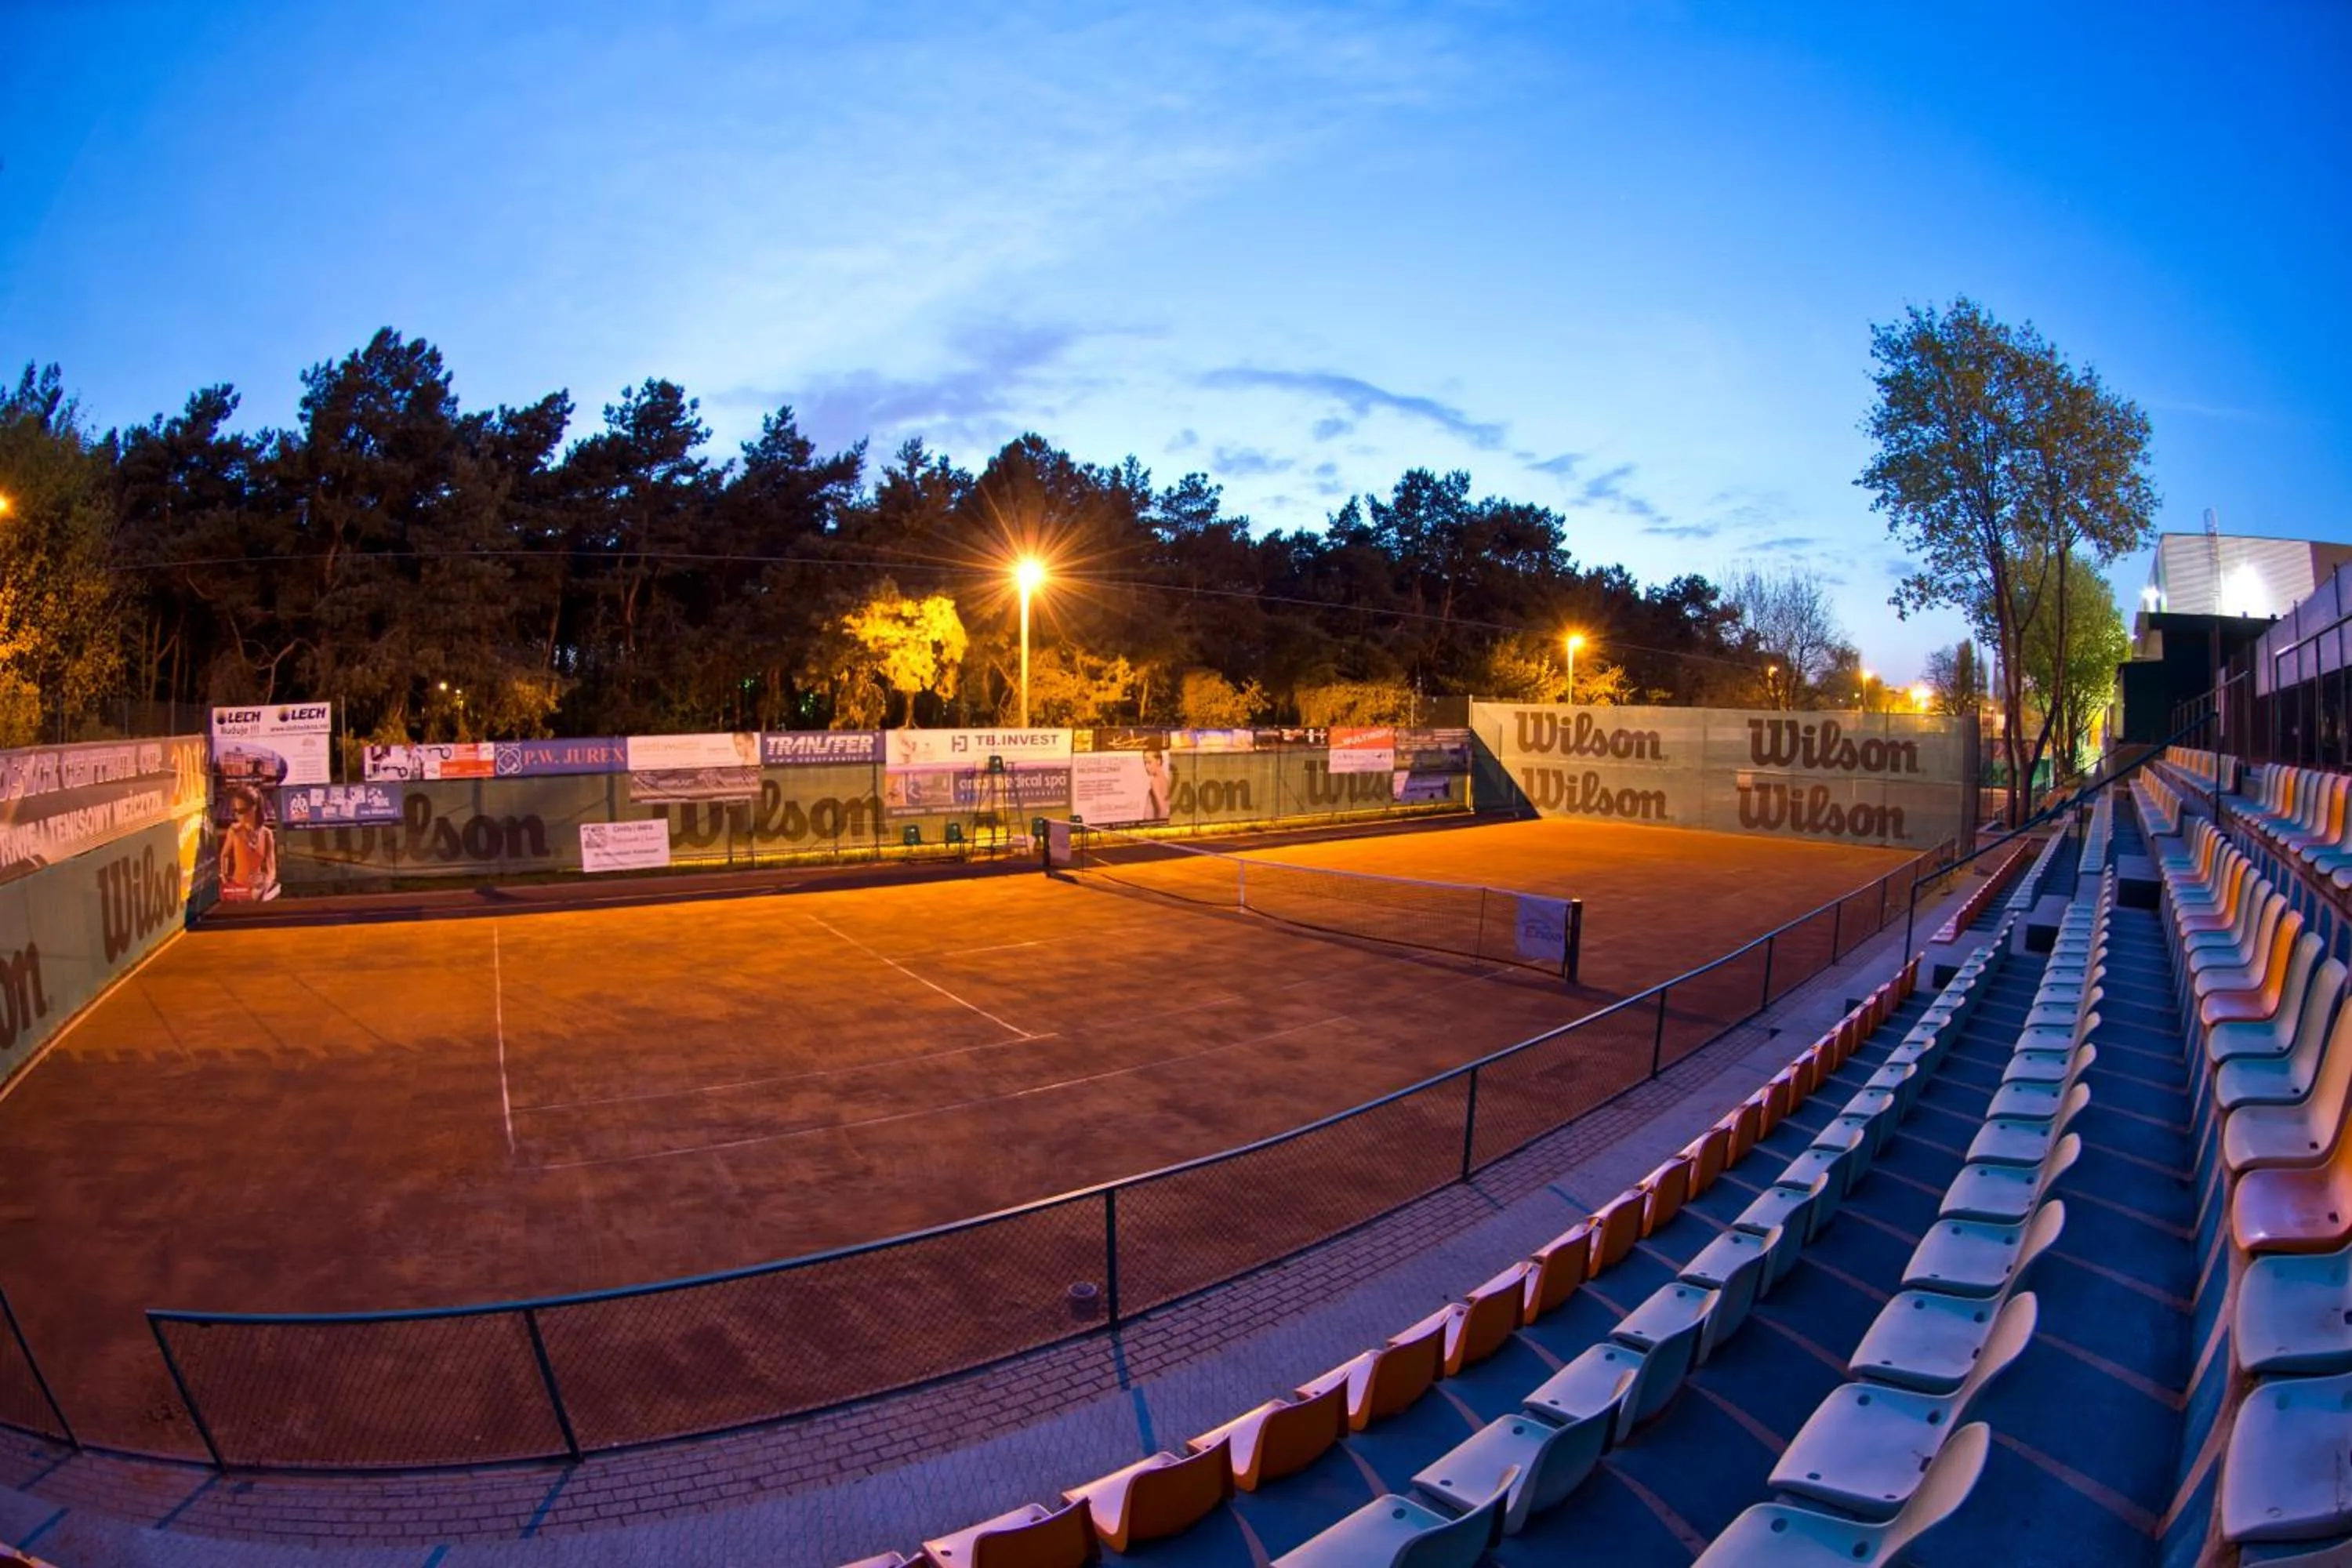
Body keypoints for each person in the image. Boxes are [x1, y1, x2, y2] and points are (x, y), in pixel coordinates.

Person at [220, 786, 280, 902]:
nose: (238, 815)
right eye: (236, 811)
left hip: (257, 889)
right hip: (237, 888)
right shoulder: (234, 831)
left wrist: (266, 884)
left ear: (254, 808)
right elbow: (224, 855)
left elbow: (272, 868)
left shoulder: (267, 834)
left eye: (242, 811)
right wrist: (224, 877)